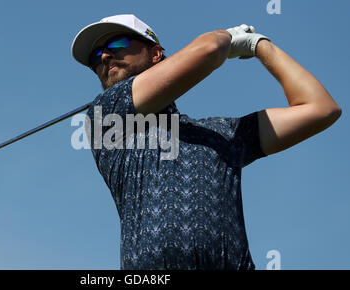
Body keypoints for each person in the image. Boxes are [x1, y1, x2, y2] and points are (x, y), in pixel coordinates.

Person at [71, 14, 342, 270]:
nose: (105, 56)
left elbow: (321, 109)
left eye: (118, 43)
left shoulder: (219, 133)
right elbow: (210, 48)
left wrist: (261, 46)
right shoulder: (106, 116)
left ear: (155, 53)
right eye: (96, 56)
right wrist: (229, 38)